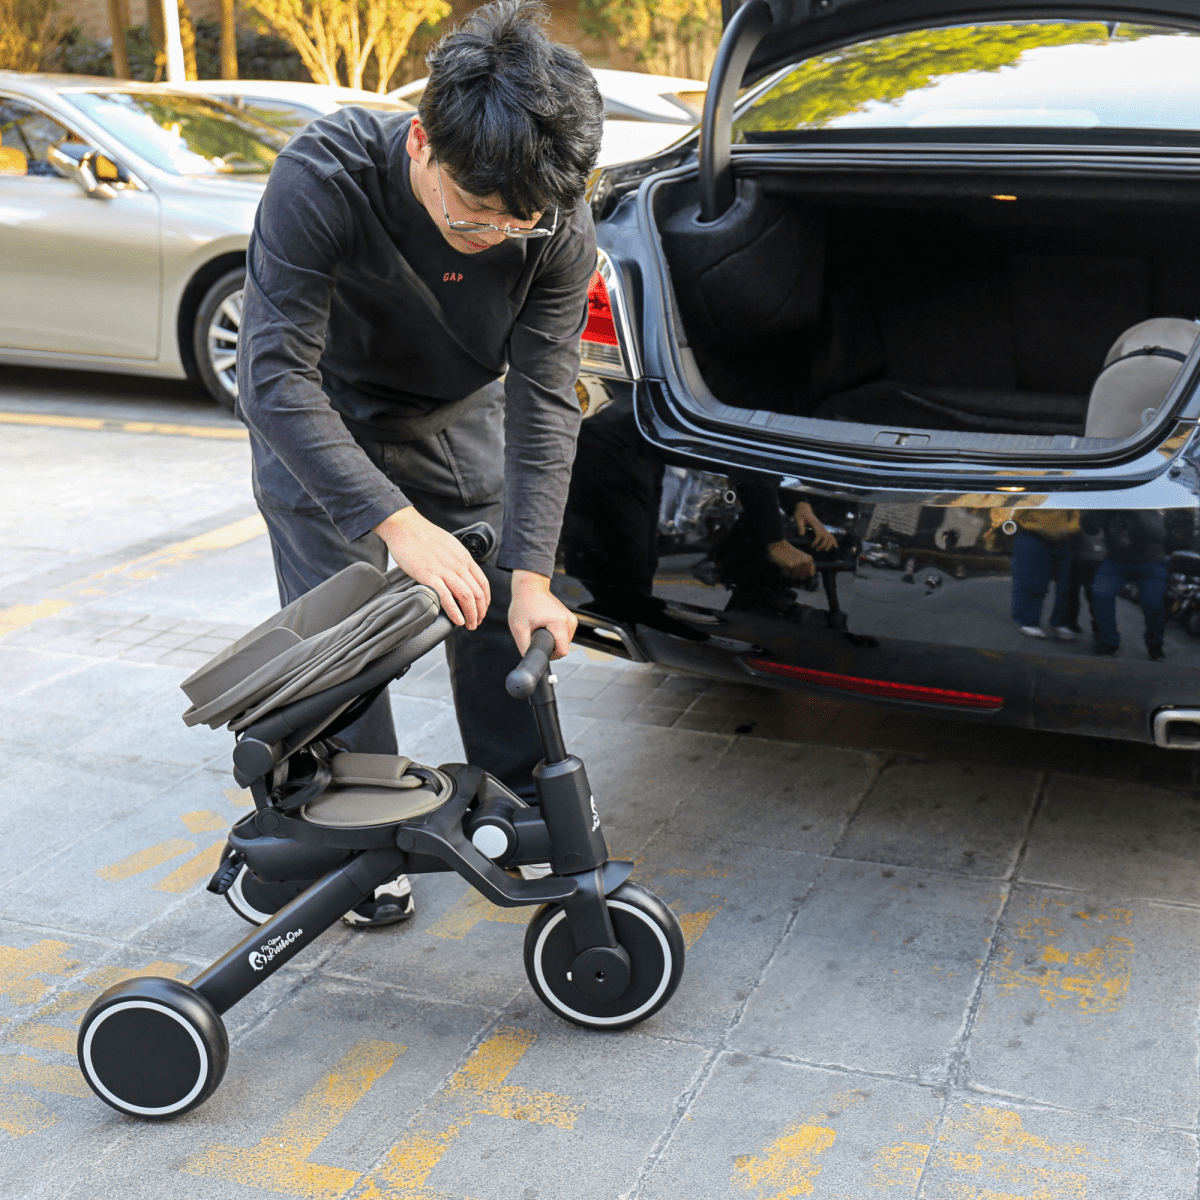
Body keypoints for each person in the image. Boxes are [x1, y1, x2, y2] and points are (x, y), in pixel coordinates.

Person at [235, 0, 604, 925]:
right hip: (322, 415)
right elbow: (272, 377)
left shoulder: (551, 219)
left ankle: (514, 812)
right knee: (343, 640)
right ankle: (353, 851)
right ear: (420, 145)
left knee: (495, 601)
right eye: (474, 215)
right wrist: (396, 527)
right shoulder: (325, 175)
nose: (494, 238)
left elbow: (545, 397)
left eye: (515, 226)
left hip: (450, 414)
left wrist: (532, 574)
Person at [1082, 510, 1170, 660]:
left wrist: (1137, 512)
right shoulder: (1109, 509)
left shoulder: (1147, 507)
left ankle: (1155, 646)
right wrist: (1091, 512)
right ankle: (1108, 642)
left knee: (1153, 604)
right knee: (1100, 593)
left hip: (1150, 562)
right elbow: (1091, 529)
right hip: (1117, 561)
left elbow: (1158, 534)